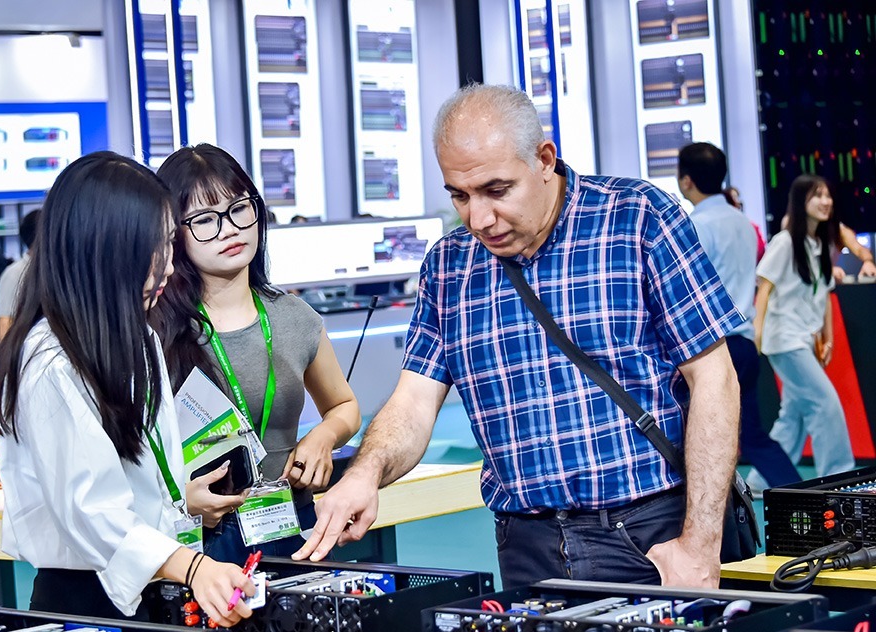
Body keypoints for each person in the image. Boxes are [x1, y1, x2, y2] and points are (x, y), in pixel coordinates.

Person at [295, 84, 743, 590]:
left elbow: (713, 379)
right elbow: (414, 404)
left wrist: (700, 545)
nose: (479, 218)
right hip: (524, 545)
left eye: (497, 190)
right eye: (460, 196)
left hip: (650, 535)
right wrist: (364, 472)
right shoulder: (448, 266)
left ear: (544, 159)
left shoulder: (636, 218)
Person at [0, 151, 255, 622]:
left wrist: (179, 508)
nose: (169, 268)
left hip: (157, 583)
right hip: (84, 601)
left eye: (170, 245)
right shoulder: (50, 362)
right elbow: (92, 512)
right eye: (156, 249)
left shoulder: (137, 336)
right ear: (108, 253)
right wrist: (193, 567)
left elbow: (138, 478)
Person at [154, 143, 361, 563]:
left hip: (292, 526)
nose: (229, 229)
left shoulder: (293, 316)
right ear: (173, 233)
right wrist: (178, 500)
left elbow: (344, 405)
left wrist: (324, 436)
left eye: (239, 209)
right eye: (205, 220)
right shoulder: (156, 329)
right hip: (196, 541)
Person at [678, 143, 802, 489]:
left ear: (685, 180)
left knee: (694, 440)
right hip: (744, 344)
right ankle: (799, 496)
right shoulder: (743, 223)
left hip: (712, 350)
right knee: (753, 437)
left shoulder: (696, 226)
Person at [754, 175, 855, 478]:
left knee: (793, 416)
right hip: (785, 340)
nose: (826, 202)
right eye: (817, 196)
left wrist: (828, 339)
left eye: (827, 195)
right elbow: (765, 288)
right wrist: (757, 332)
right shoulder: (785, 242)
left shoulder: (820, 243)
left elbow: (823, 296)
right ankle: (839, 475)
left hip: (805, 340)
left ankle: (762, 480)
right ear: (801, 202)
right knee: (826, 404)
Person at [781, 212, 875, 282]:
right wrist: (826, 270)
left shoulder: (838, 230)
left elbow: (859, 248)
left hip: (825, 290)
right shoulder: (792, 222)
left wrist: (868, 262)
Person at [0, 209, 40, 341]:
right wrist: (7, 360)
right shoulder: (15, 273)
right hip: (26, 354)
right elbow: (6, 321)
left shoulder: (56, 272)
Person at [723, 186, 766, 261]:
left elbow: (760, 250)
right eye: (733, 198)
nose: (737, 202)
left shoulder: (750, 226)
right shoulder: (721, 228)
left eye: (737, 197)